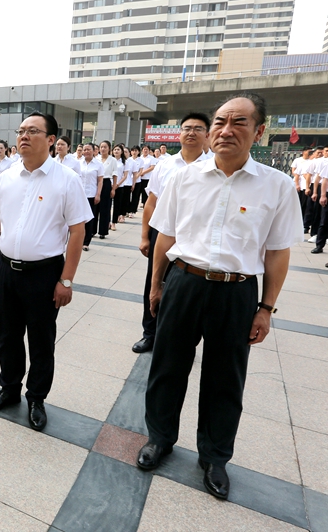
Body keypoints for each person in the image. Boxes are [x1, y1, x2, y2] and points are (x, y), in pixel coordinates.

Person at [136, 92, 301, 501]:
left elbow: (277, 253)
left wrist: (266, 308)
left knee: (225, 377)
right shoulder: (183, 177)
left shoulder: (277, 186)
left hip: (237, 291)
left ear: (259, 131)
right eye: (220, 122)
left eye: (239, 122)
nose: (226, 130)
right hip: (184, 282)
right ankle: (159, 438)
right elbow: (165, 237)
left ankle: (214, 456)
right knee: (167, 366)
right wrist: (156, 285)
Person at [0, 112, 90, 431]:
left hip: (44, 273)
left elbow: (77, 231)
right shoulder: (6, 177)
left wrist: (66, 279)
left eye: (33, 131)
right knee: (8, 335)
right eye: (21, 131)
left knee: (41, 339)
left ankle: (36, 397)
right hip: (6, 268)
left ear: (51, 140)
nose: (24, 136)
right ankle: (9, 388)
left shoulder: (66, 179)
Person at [132, 113, 209, 355]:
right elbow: (151, 203)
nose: (191, 132)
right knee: (154, 281)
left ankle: (178, 338)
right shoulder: (165, 165)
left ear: (207, 134)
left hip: (196, 237)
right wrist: (145, 236)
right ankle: (150, 333)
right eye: (187, 128)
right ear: (180, 133)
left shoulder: (214, 165)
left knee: (188, 287)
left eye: (198, 128)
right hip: (163, 233)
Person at [80, 142, 103, 250]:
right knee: (78, 219)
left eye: (89, 149)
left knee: (89, 219)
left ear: (94, 151)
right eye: (84, 149)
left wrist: (98, 194)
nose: (86, 151)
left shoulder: (98, 164)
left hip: (91, 195)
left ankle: (86, 242)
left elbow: (100, 181)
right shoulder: (78, 163)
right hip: (79, 195)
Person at [93, 140, 118, 239]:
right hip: (96, 183)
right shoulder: (96, 159)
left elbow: (115, 175)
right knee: (95, 207)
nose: (103, 149)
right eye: (101, 147)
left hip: (107, 183)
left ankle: (103, 231)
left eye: (105, 147)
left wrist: (113, 189)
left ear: (109, 149)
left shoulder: (112, 160)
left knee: (105, 208)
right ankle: (92, 230)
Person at [111, 144, 128, 230]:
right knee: (107, 205)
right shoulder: (110, 160)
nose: (116, 151)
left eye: (118, 149)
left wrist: (117, 184)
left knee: (117, 206)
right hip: (110, 185)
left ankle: (113, 223)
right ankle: (107, 222)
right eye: (115, 149)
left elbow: (125, 176)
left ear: (121, 151)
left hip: (119, 186)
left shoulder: (124, 162)